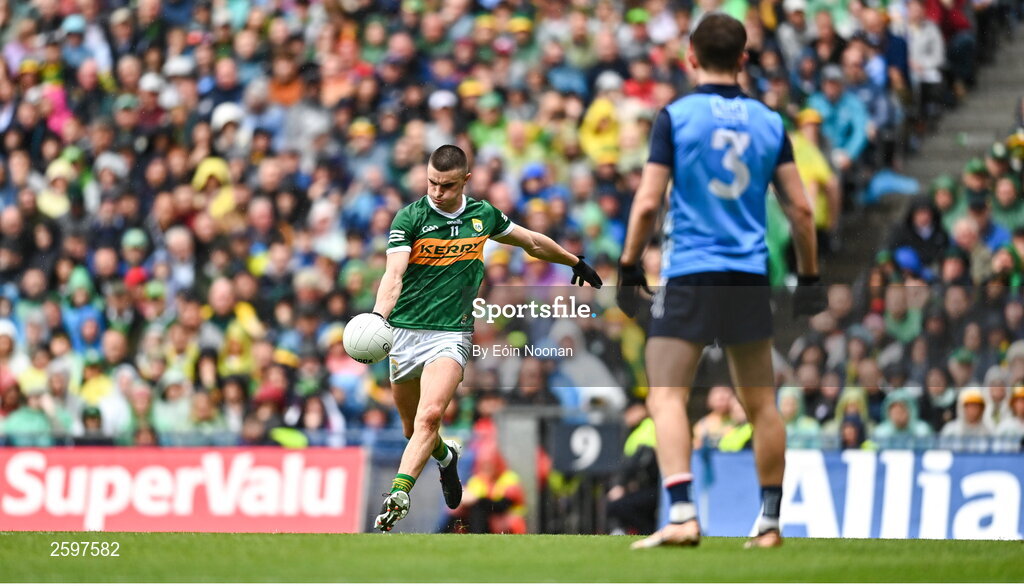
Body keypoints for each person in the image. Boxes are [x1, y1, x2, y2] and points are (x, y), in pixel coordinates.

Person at [616, 13, 825, 550]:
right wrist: (809, 277)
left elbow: (646, 203)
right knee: (762, 404)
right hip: (749, 277)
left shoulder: (676, 116)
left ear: (689, 57)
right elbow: (801, 209)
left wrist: (629, 265)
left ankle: (683, 514)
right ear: (744, 59)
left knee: (666, 396)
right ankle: (772, 523)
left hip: (689, 274)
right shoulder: (770, 122)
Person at [371, 144, 602, 532]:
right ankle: (446, 458)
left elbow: (531, 241)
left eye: (446, 185)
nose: (436, 192)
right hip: (404, 334)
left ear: (465, 181)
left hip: (451, 336)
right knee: (414, 431)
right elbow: (393, 275)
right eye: (431, 183)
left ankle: (399, 494)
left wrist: (574, 261)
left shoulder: (483, 216)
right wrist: (379, 317)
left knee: (430, 416)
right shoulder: (409, 218)